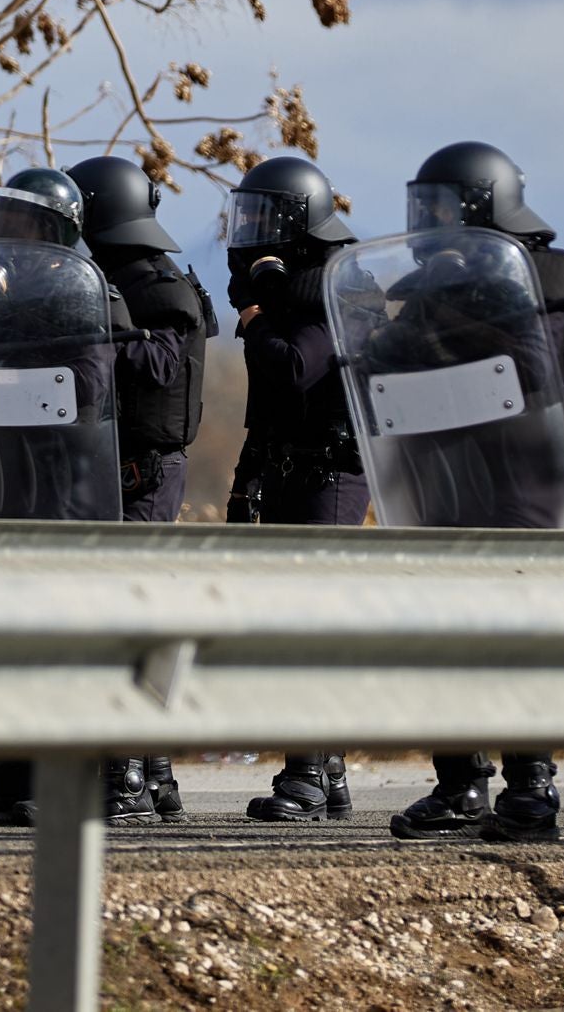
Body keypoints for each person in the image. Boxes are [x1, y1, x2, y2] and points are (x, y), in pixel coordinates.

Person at [387, 141, 564, 843]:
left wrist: (455, 304)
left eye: (440, 208)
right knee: (446, 634)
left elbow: (530, 370)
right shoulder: (436, 287)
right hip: (450, 481)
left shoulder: (542, 276)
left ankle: (531, 788)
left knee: (514, 638)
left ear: (481, 204)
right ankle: (459, 784)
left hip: (524, 485)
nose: (428, 223)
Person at [0, 168, 117, 827]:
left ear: (52, 232)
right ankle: (9, 781)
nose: (2, 235)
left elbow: (89, 387)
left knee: (44, 639)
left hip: (53, 489)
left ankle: (49, 782)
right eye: (0, 220)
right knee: (1, 637)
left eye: (17, 223)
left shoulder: (78, 295)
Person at [66, 155, 218, 826]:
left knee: (128, 618)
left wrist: (99, 335)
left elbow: (161, 366)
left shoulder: (158, 286)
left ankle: (127, 777)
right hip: (116, 469)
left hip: (145, 472)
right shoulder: (121, 279)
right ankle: (154, 777)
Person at [225, 156, 361, 822]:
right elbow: (269, 408)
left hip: (328, 474)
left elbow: (291, 370)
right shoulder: (294, 294)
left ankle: (307, 774)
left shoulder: (327, 289)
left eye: (262, 219)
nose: (251, 236)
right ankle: (326, 772)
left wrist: (254, 323)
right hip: (291, 470)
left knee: (313, 625)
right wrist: (248, 481)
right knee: (298, 623)